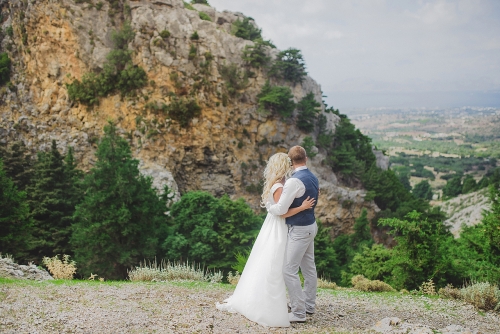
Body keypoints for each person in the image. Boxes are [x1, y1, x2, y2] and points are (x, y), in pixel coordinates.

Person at [216, 152, 316, 327]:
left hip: (285, 226)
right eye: (288, 164)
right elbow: (281, 211)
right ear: (284, 166)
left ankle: (300, 305)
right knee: (278, 265)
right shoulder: (279, 186)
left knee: (282, 265)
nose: (291, 166)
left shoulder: (285, 183)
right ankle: (279, 304)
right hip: (280, 226)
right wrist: (302, 207)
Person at [267, 145, 319, 323]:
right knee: (309, 268)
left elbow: (281, 209)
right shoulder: (312, 177)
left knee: (289, 270)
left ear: (290, 162)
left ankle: (298, 312)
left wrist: (269, 207)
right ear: (306, 159)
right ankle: (309, 305)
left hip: (299, 230)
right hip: (311, 225)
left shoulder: (293, 181)